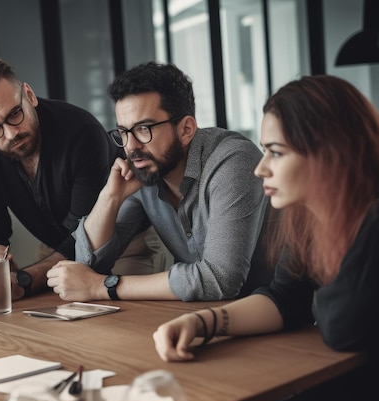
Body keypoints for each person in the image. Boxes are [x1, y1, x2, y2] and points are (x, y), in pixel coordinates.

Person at [152, 75, 379, 401]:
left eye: (276, 152)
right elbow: (283, 300)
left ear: (329, 151)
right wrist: (201, 323)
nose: (261, 168)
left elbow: (343, 328)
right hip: (344, 387)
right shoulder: (309, 220)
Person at [46, 61, 271, 302]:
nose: (131, 147)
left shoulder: (233, 161)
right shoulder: (146, 172)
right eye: (123, 132)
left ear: (186, 129)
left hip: (282, 323)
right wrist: (109, 198)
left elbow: (221, 279)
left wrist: (102, 287)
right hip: (198, 318)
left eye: (144, 128)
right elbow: (87, 263)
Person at [0, 56, 165, 304]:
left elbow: (82, 239)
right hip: (54, 251)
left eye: (15, 114)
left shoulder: (81, 131)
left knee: (122, 328)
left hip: (122, 245)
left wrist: (24, 280)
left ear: (29, 95)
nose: (11, 133)